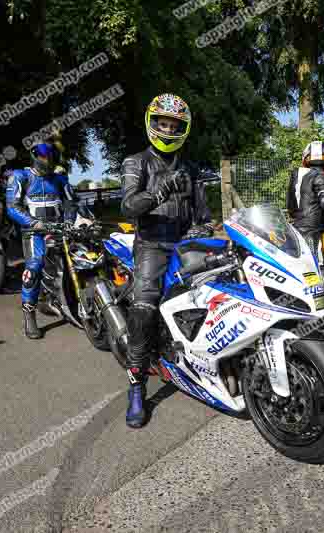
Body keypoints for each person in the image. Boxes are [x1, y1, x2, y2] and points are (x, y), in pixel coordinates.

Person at [120, 93, 214, 428]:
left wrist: (205, 227)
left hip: (186, 244)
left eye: (175, 125)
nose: (169, 129)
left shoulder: (191, 167)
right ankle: (136, 384)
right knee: (144, 307)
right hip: (152, 245)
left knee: (215, 294)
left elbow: (203, 213)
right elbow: (128, 206)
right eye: (163, 123)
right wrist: (161, 191)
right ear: (152, 123)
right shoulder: (136, 162)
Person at [5, 143, 77, 340]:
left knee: (78, 259)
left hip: (60, 228)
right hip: (33, 231)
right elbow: (12, 206)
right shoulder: (20, 176)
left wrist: (69, 221)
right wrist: (34, 223)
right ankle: (29, 317)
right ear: (35, 156)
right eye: (44, 156)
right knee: (34, 268)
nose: (48, 159)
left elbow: (71, 203)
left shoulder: (60, 179)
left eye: (51, 156)